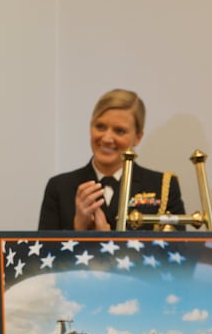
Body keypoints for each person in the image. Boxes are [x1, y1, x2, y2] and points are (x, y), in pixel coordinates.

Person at [38, 89, 185, 231]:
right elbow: (43, 254)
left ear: (138, 137)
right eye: (100, 127)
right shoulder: (60, 187)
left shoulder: (162, 186)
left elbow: (178, 252)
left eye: (119, 131)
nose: (107, 138)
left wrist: (108, 240)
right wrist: (79, 230)